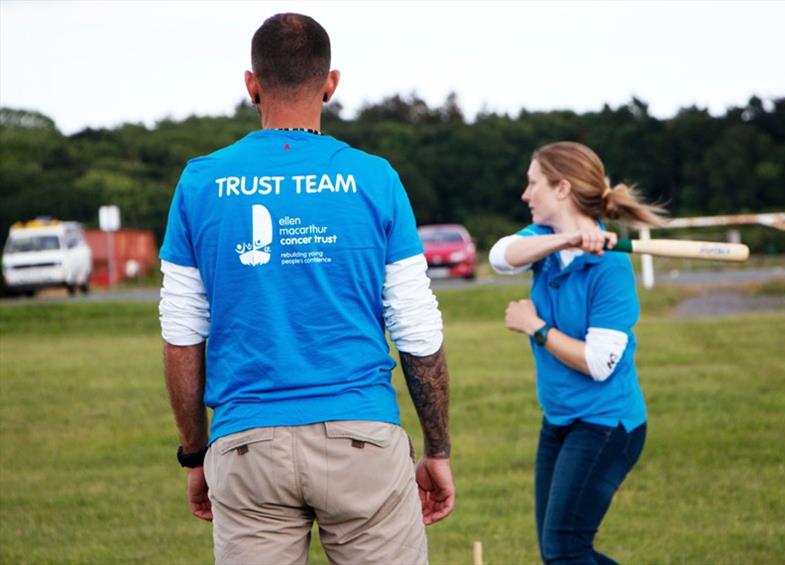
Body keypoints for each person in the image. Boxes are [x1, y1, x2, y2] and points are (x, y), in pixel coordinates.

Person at [158, 13, 454, 564]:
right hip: (363, 436)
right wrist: (436, 448)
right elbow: (416, 328)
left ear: (252, 84)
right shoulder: (375, 178)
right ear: (331, 83)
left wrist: (195, 454)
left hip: (246, 446)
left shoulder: (200, 181)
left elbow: (182, 333)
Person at [489, 141, 664, 564]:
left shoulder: (610, 267)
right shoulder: (544, 241)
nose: (525, 194)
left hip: (606, 424)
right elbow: (500, 256)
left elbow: (597, 363)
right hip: (560, 419)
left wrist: (537, 328)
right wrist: (568, 237)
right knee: (558, 553)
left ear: (562, 188)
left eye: (534, 184)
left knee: (566, 550)